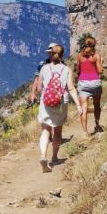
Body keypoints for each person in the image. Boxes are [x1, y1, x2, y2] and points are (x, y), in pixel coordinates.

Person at [37, 44, 82, 172]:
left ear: (51, 55)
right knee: (57, 131)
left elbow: (40, 88)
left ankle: (43, 156)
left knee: (45, 130)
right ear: (62, 55)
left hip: (46, 103)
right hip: (61, 103)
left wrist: (47, 91)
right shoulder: (67, 69)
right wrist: (78, 105)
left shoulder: (44, 68)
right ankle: (55, 157)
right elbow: (71, 87)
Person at [76, 36, 103, 137]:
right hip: (95, 82)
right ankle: (97, 124)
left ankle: (85, 132)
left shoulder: (79, 56)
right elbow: (100, 71)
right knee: (97, 105)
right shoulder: (96, 56)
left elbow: (78, 70)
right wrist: (101, 64)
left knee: (84, 107)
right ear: (94, 44)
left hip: (83, 83)